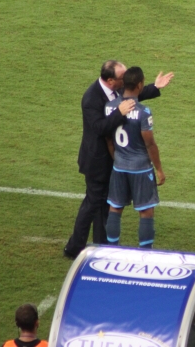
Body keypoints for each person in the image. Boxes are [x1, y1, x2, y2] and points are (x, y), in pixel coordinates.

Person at [64, 60, 173, 258]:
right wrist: (119, 113)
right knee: (92, 204)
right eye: (122, 78)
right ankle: (74, 247)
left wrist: (155, 87)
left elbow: (132, 96)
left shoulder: (117, 91)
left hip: (115, 159)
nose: (125, 81)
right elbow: (100, 129)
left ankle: (103, 246)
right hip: (97, 161)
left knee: (107, 206)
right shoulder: (91, 98)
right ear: (110, 80)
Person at [105, 67, 165, 248]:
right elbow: (150, 144)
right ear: (139, 85)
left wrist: (116, 158)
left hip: (119, 166)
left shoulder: (110, 107)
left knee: (115, 208)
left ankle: (111, 249)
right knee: (146, 211)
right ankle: (145, 253)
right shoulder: (143, 111)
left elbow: (109, 139)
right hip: (141, 169)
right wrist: (159, 169)